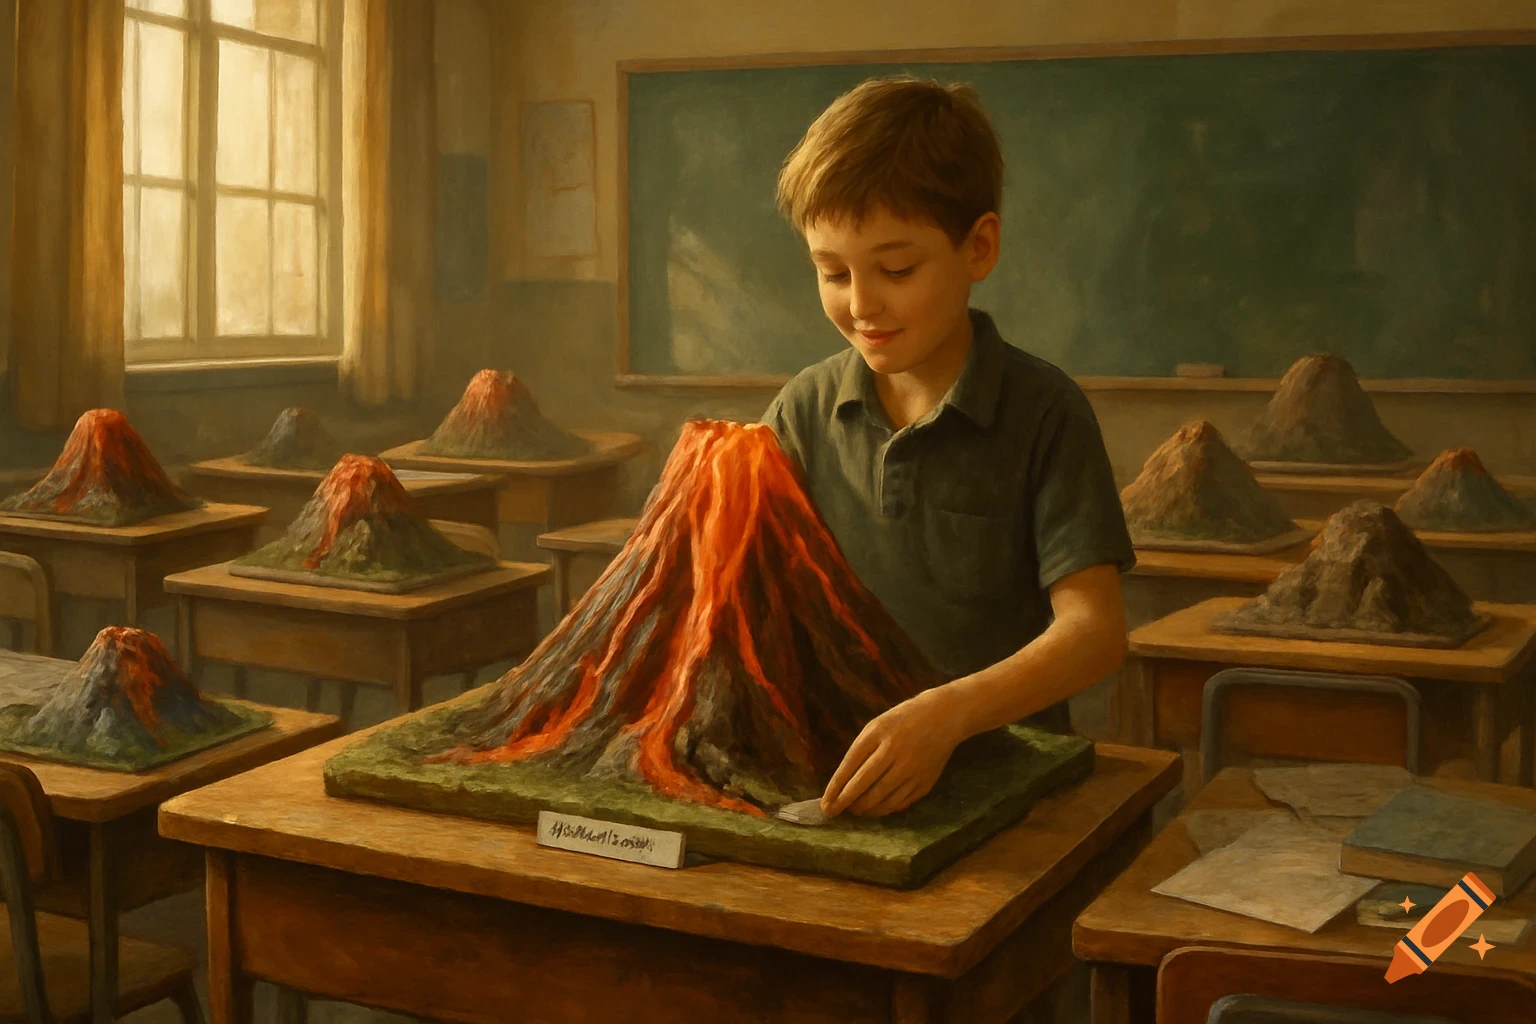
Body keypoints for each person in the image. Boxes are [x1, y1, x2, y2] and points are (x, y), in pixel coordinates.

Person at [761, 75, 1135, 819]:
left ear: (980, 246)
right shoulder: (802, 409)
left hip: (1009, 785)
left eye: (896, 269)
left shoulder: (1044, 411)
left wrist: (948, 714)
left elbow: (1095, 632)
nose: (862, 304)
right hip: (845, 782)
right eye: (832, 272)